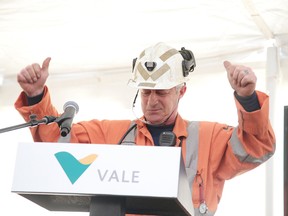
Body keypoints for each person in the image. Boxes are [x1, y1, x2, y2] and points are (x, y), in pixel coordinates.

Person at [15, 42, 276, 216]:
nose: (152, 101)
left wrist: (247, 98)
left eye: (161, 92)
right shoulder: (108, 135)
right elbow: (56, 148)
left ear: (181, 90)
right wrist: (37, 97)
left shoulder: (209, 138)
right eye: (145, 92)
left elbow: (255, 148)